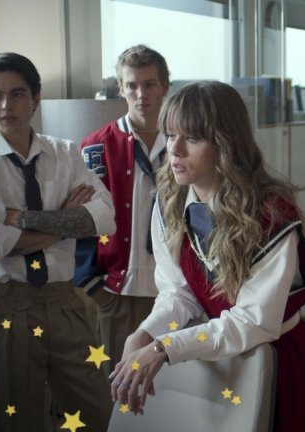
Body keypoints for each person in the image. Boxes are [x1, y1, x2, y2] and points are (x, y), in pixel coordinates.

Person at [108, 81, 305, 431]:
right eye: (170, 134)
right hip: (212, 358)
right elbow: (179, 292)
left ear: (226, 144)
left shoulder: (270, 215)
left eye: (192, 138)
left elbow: (252, 321)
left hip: (275, 360)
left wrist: (165, 348)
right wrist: (146, 334)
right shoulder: (170, 202)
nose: (175, 150)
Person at [0, 53, 115, 431]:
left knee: (100, 415)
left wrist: (18, 219)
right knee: (22, 423)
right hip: (10, 307)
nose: (6, 106)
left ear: (35, 98)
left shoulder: (66, 153)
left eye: (17, 94)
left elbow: (104, 217)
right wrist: (68, 222)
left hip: (65, 302)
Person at [76, 45, 170, 372]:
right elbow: (81, 220)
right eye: (131, 85)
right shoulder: (95, 147)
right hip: (118, 290)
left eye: (149, 84)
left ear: (165, 87)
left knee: (175, 394)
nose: (140, 93)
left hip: (175, 292)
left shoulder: (185, 143)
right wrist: (92, 285)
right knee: (118, 395)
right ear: (120, 89)